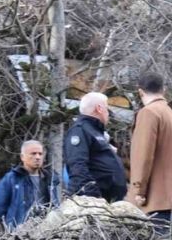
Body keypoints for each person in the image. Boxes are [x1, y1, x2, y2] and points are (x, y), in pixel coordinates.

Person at [126, 72, 172, 226]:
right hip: (168, 198)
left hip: (156, 200)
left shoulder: (149, 113)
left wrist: (138, 191)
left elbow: (143, 156)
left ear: (140, 92)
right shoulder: (169, 113)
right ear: (163, 90)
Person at [63, 92, 126, 202]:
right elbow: (78, 165)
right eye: (107, 109)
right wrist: (92, 195)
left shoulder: (96, 131)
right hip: (93, 200)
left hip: (109, 199)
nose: (108, 114)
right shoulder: (80, 130)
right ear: (99, 108)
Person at [0, 140, 60, 230]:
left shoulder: (49, 179)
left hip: (46, 230)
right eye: (33, 154)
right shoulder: (12, 179)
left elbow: (55, 205)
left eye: (40, 154)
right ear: (22, 157)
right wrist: (9, 227)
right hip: (19, 231)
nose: (37, 157)